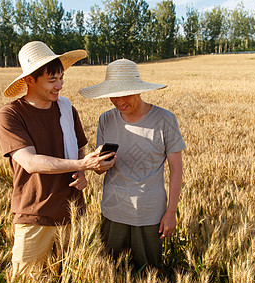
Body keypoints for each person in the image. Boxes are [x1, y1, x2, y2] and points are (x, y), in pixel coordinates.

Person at [0, 41, 115, 280]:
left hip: (73, 214)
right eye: (52, 80)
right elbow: (30, 162)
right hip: (35, 214)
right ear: (29, 80)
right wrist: (83, 165)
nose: (59, 86)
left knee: (70, 281)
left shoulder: (67, 110)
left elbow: (79, 147)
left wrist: (81, 170)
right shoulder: (10, 115)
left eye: (61, 79)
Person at [79, 59, 186, 270]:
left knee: (148, 273)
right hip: (113, 210)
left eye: (125, 94)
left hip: (149, 212)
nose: (119, 101)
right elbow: (100, 168)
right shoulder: (106, 119)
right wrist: (98, 166)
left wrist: (171, 211)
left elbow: (176, 169)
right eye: (113, 95)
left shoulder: (164, 119)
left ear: (138, 89)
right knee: (113, 272)